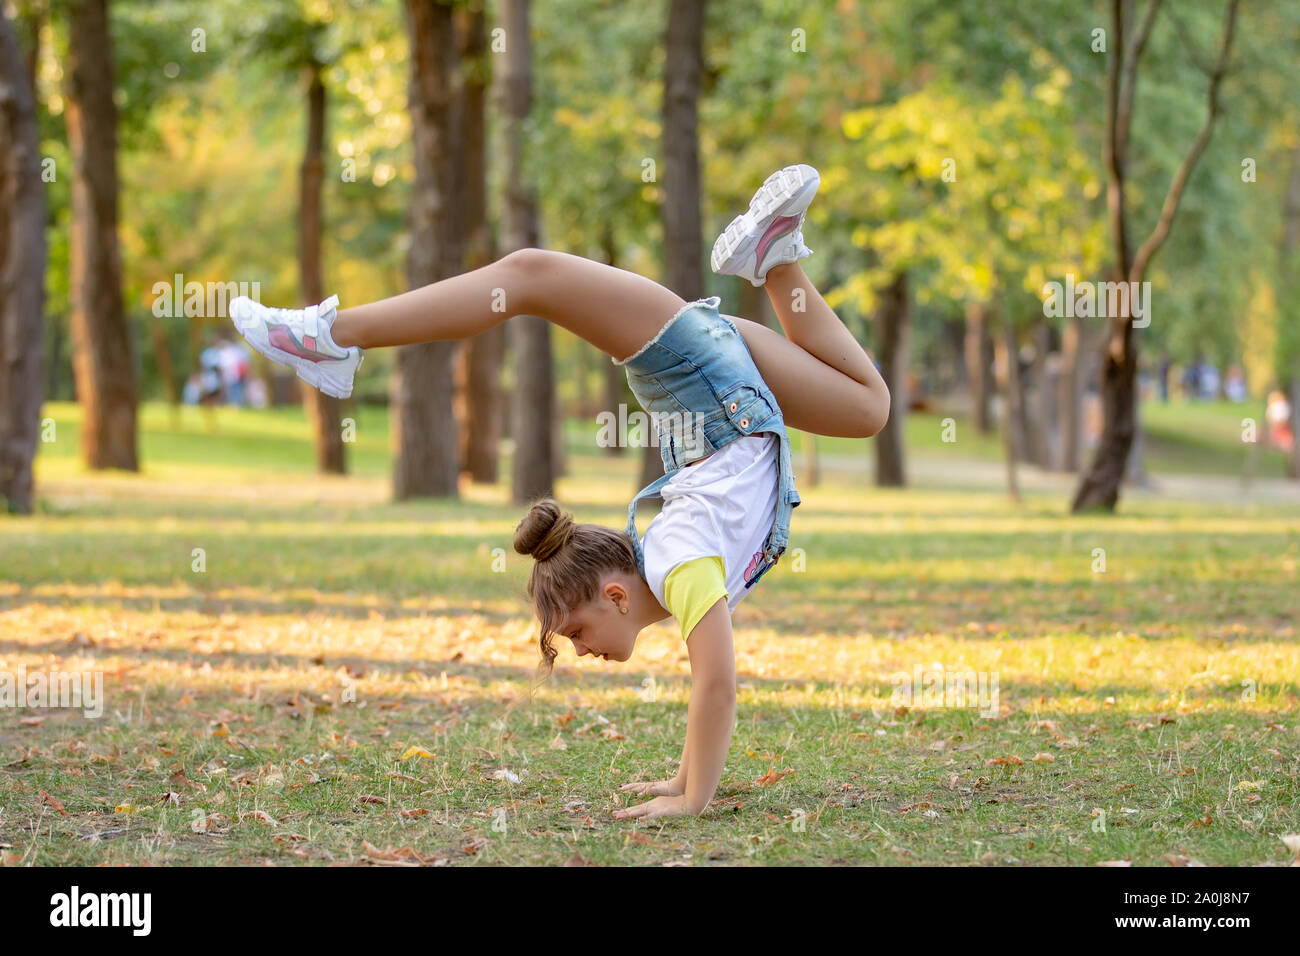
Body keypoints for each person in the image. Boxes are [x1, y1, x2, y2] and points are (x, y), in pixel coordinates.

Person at [227, 164, 890, 820]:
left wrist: (692, 801)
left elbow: (714, 686)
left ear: (615, 593)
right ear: (617, 594)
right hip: (723, 385)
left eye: (571, 631)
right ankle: (773, 258)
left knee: (530, 275)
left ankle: (329, 337)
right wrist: (682, 784)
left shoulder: (681, 563)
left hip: (705, 378)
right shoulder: (683, 568)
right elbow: (711, 687)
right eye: (572, 635)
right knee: (866, 409)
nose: (578, 649)